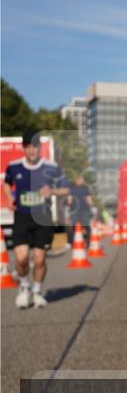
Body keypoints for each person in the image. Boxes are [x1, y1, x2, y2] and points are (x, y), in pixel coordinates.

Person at [3, 130, 70, 309]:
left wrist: (52, 191)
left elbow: (66, 189)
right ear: (23, 148)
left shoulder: (51, 167)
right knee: (22, 258)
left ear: (39, 147)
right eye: (27, 147)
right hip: (22, 217)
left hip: (43, 218)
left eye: (34, 146)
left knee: (39, 259)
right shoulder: (14, 166)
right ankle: (24, 287)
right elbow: (7, 183)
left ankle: (37, 291)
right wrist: (9, 198)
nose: (31, 150)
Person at [66, 174, 93, 245]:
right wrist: (69, 205)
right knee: (74, 227)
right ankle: (74, 242)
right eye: (79, 179)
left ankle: (88, 242)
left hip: (84, 210)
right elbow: (69, 198)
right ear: (76, 180)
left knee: (86, 226)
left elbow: (89, 198)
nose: (81, 181)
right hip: (74, 211)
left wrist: (91, 208)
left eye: (82, 180)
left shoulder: (85, 188)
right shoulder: (71, 188)